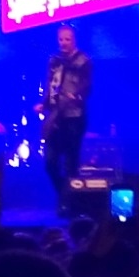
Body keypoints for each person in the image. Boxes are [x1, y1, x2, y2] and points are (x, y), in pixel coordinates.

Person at [36, 24, 92, 210]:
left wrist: (76, 96)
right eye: (61, 39)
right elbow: (51, 86)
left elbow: (86, 86)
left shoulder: (83, 61)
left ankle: (69, 203)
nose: (63, 43)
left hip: (74, 117)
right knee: (50, 162)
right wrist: (44, 104)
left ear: (74, 40)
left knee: (70, 162)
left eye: (67, 39)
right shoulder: (54, 61)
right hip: (56, 117)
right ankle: (63, 194)